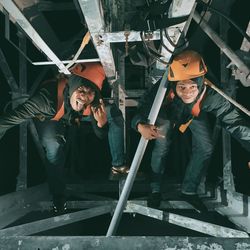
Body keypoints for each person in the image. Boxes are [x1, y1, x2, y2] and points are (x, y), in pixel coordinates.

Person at [0, 62, 128, 213]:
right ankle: (58, 195)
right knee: (54, 146)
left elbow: (101, 135)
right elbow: (12, 118)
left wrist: (102, 124)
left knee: (113, 113)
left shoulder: (92, 103)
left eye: (90, 92)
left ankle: (117, 167)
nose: (85, 96)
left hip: (71, 116)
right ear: (73, 86)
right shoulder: (45, 100)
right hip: (51, 117)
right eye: (81, 89)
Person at [132, 50, 250, 211]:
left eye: (192, 86)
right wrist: (140, 125)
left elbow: (233, 120)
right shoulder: (162, 91)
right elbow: (142, 109)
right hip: (167, 114)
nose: (187, 92)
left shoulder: (210, 94)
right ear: (174, 84)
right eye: (182, 87)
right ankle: (155, 189)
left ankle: (188, 191)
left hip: (193, 113)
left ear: (201, 83)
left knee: (205, 146)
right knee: (162, 145)